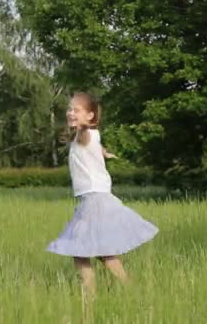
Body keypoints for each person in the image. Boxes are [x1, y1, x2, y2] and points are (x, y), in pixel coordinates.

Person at [47, 92, 158, 296]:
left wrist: (96, 144)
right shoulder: (84, 137)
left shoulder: (87, 135)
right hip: (93, 198)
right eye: (69, 109)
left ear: (90, 116)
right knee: (102, 251)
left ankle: (90, 294)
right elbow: (94, 144)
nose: (70, 113)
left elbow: (91, 137)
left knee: (80, 251)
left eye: (76, 110)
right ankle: (129, 288)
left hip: (94, 200)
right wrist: (104, 153)